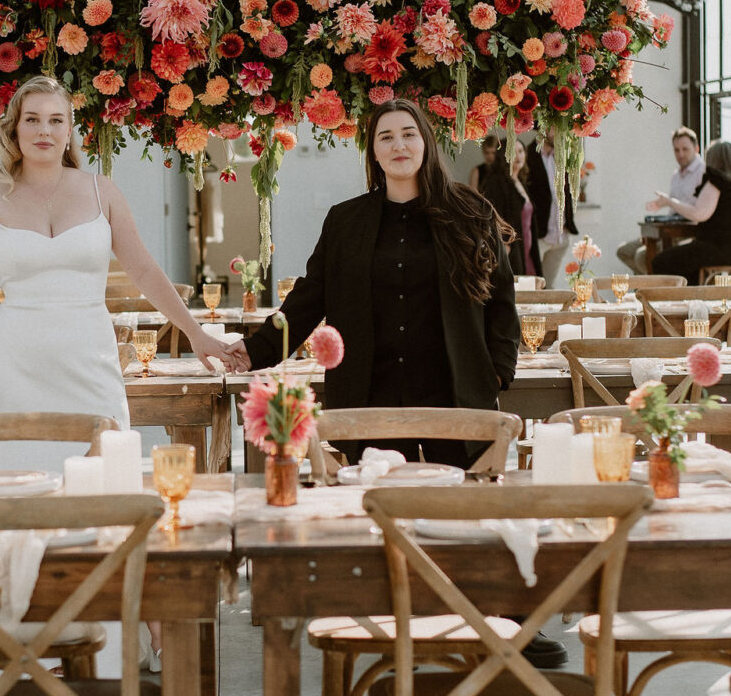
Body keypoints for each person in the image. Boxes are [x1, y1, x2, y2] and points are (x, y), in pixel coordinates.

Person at [0, 75, 247, 472]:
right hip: (16, 362)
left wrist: (195, 333)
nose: (45, 130)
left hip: (89, 352)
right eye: (33, 119)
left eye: (57, 120)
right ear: (14, 128)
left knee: (104, 467)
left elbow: (144, 269)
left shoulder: (101, 191)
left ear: (70, 131)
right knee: (20, 475)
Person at [243, 98, 520, 468]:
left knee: (457, 510)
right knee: (374, 508)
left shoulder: (471, 213)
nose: (399, 146)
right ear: (373, 152)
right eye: (386, 137)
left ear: (425, 142)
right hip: (371, 394)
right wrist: (253, 351)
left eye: (408, 134)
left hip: (455, 392)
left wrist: (499, 372)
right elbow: (309, 299)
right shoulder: (345, 221)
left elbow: (502, 298)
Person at [648, 139, 731, 283]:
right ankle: (694, 298)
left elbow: (699, 214)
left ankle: (678, 301)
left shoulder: (717, 181)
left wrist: (669, 201)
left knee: (660, 262)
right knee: (689, 262)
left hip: (717, 248)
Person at [617, 126, 705, 274]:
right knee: (624, 251)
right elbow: (673, 210)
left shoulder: (703, 172)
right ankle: (648, 286)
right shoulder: (676, 175)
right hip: (668, 230)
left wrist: (669, 202)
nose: (681, 154)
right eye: (676, 150)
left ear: (696, 148)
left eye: (685, 149)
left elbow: (698, 212)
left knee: (641, 257)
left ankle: (658, 289)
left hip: (687, 233)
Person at [474, 140, 536, 277]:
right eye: (513, 153)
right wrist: (502, 247)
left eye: (520, 151)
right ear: (504, 156)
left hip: (527, 247)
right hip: (510, 251)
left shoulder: (520, 181)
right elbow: (489, 217)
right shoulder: (496, 182)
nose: (518, 156)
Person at [525, 134, 578, 285]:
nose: (559, 131)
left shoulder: (563, 154)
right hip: (539, 236)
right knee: (531, 286)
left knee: (549, 286)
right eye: (554, 127)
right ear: (543, 126)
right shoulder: (527, 154)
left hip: (561, 234)